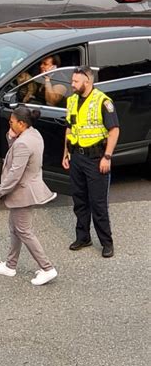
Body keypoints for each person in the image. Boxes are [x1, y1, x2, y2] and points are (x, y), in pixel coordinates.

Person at [0, 104, 58, 286]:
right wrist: (11, 138)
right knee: (15, 228)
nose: (9, 125)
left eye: (12, 122)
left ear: (21, 123)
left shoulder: (22, 143)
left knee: (24, 231)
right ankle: (11, 265)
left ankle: (47, 268)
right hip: (28, 188)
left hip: (22, 192)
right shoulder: (33, 134)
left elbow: (15, 174)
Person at [62, 66, 120, 258]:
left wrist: (107, 157)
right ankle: (83, 237)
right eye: (72, 81)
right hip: (76, 156)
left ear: (87, 81)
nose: (72, 84)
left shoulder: (103, 101)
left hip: (96, 158)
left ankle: (106, 242)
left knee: (98, 203)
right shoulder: (72, 101)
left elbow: (114, 130)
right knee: (79, 200)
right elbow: (70, 129)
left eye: (76, 81)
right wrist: (66, 153)